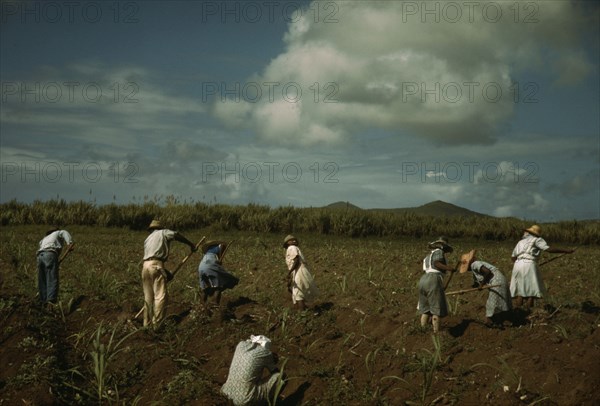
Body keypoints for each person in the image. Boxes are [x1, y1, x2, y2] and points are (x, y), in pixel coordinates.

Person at [142, 219, 196, 327]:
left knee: (148, 297)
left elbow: (152, 259)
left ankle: (146, 324)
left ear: (151, 229)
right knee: (160, 296)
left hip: (145, 267)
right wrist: (191, 244)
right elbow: (176, 235)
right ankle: (156, 325)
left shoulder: (147, 239)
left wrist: (166, 272)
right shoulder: (163, 232)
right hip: (156, 265)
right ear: (159, 228)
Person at [510, 225, 575, 309]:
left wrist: (521, 263)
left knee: (520, 290)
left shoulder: (520, 242)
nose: (524, 232)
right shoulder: (537, 240)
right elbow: (549, 249)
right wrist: (566, 250)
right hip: (529, 264)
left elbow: (513, 257)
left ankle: (519, 312)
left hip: (517, 265)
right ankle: (529, 310)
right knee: (531, 290)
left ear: (528, 233)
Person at [221, 335, 284, 406]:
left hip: (226, 393)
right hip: (244, 400)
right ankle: (270, 402)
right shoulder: (265, 352)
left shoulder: (241, 345)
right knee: (281, 377)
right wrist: (272, 360)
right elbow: (275, 372)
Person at [418, 236, 457, 334]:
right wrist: (450, 268)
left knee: (425, 309)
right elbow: (436, 263)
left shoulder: (428, 256)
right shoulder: (439, 252)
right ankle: (436, 332)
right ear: (443, 246)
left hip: (423, 280)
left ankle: (422, 330)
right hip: (433, 279)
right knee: (436, 309)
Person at [463, 251, 512, 327]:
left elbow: (488, 272)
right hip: (500, 280)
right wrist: (463, 291)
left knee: (492, 303)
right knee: (498, 301)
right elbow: (476, 284)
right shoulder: (474, 267)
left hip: (496, 281)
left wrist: (482, 285)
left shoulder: (474, 264)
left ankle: (490, 322)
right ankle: (498, 321)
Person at [198, 240, 239, 313]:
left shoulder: (208, 252)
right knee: (218, 286)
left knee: (205, 288)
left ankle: (201, 307)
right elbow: (223, 245)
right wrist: (220, 257)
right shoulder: (217, 247)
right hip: (210, 265)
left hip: (201, 267)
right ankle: (215, 306)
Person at [36, 227, 74, 306]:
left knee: (42, 279)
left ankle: (43, 300)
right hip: (50, 254)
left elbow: (40, 246)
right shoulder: (57, 233)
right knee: (52, 278)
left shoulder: (44, 239)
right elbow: (64, 232)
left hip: (40, 256)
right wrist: (69, 243)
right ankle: (51, 301)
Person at [283, 235, 318, 311]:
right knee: (297, 292)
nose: (294, 241)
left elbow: (296, 260)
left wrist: (289, 272)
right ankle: (302, 310)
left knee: (298, 293)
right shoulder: (292, 248)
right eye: (291, 240)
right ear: (287, 243)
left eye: (294, 240)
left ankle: (302, 312)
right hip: (298, 270)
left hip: (298, 270)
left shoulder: (292, 248)